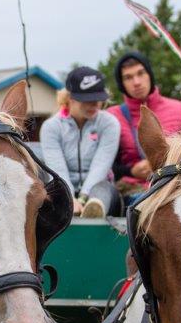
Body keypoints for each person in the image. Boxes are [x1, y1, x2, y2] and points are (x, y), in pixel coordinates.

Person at [40, 67, 122, 217]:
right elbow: (57, 168)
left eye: (98, 98)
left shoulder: (110, 123)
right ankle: (68, 205)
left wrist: (83, 197)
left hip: (100, 187)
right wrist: (70, 198)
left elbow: (101, 165)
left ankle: (94, 208)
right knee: (52, 192)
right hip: (62, 188)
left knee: (102, 189)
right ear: (69, 97)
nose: (95, 104)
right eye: (87, 100)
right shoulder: (51, 127)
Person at [109, 50, 181, 191]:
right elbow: (104, 165)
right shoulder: (112, 116)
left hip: (176, 187)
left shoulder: (179, 109)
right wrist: (131, 171)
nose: (136, 82)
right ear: (121, 84)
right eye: (128, 77)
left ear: (150, 75)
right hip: (133, 190)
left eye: (141, 73)